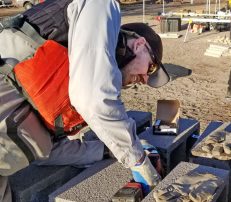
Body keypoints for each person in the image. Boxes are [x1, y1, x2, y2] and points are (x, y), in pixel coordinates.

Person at [0, 0, 170, 200]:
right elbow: (95, 100)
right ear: (140, 44)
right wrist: (137, 160)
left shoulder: (77, 72)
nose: (144, 80)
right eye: (150, 68)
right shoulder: (100, 5)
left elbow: (49, 152)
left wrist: (106, 150)